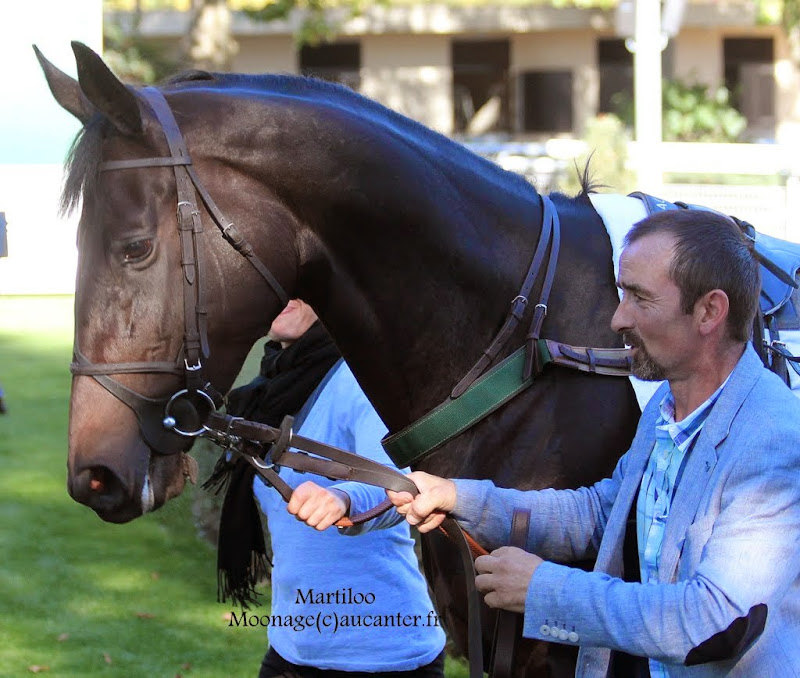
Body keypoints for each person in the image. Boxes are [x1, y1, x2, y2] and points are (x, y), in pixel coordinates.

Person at [381, 210, 800, 677]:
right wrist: (461, 497)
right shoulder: (667, 404)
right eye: (623, 294)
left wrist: (544, 590)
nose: (618, 318)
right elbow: (604, 514)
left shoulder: (773, 438)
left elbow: (714, 622)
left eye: (641, 298)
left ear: (709, 311)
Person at [222, 299, 446, 678]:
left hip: (384, 654)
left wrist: (343, 498)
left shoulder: (358, 378)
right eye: (278, 285)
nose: (285, 297)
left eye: (299, 287)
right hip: (293, 648)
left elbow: (399, 485)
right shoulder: (270, 391)